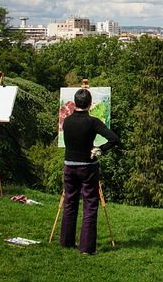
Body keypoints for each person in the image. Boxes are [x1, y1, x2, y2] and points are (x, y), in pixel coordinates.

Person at [60, 88, 120, 255]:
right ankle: (86, 247)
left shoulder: (66, 121)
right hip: (87, 166)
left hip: (69, 165)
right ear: (89, 103)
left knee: (70, 203)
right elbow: (114, 139)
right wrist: (99, 149)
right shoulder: (92, 122)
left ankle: (66, 241)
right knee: (90, 205)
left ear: (75, 102)